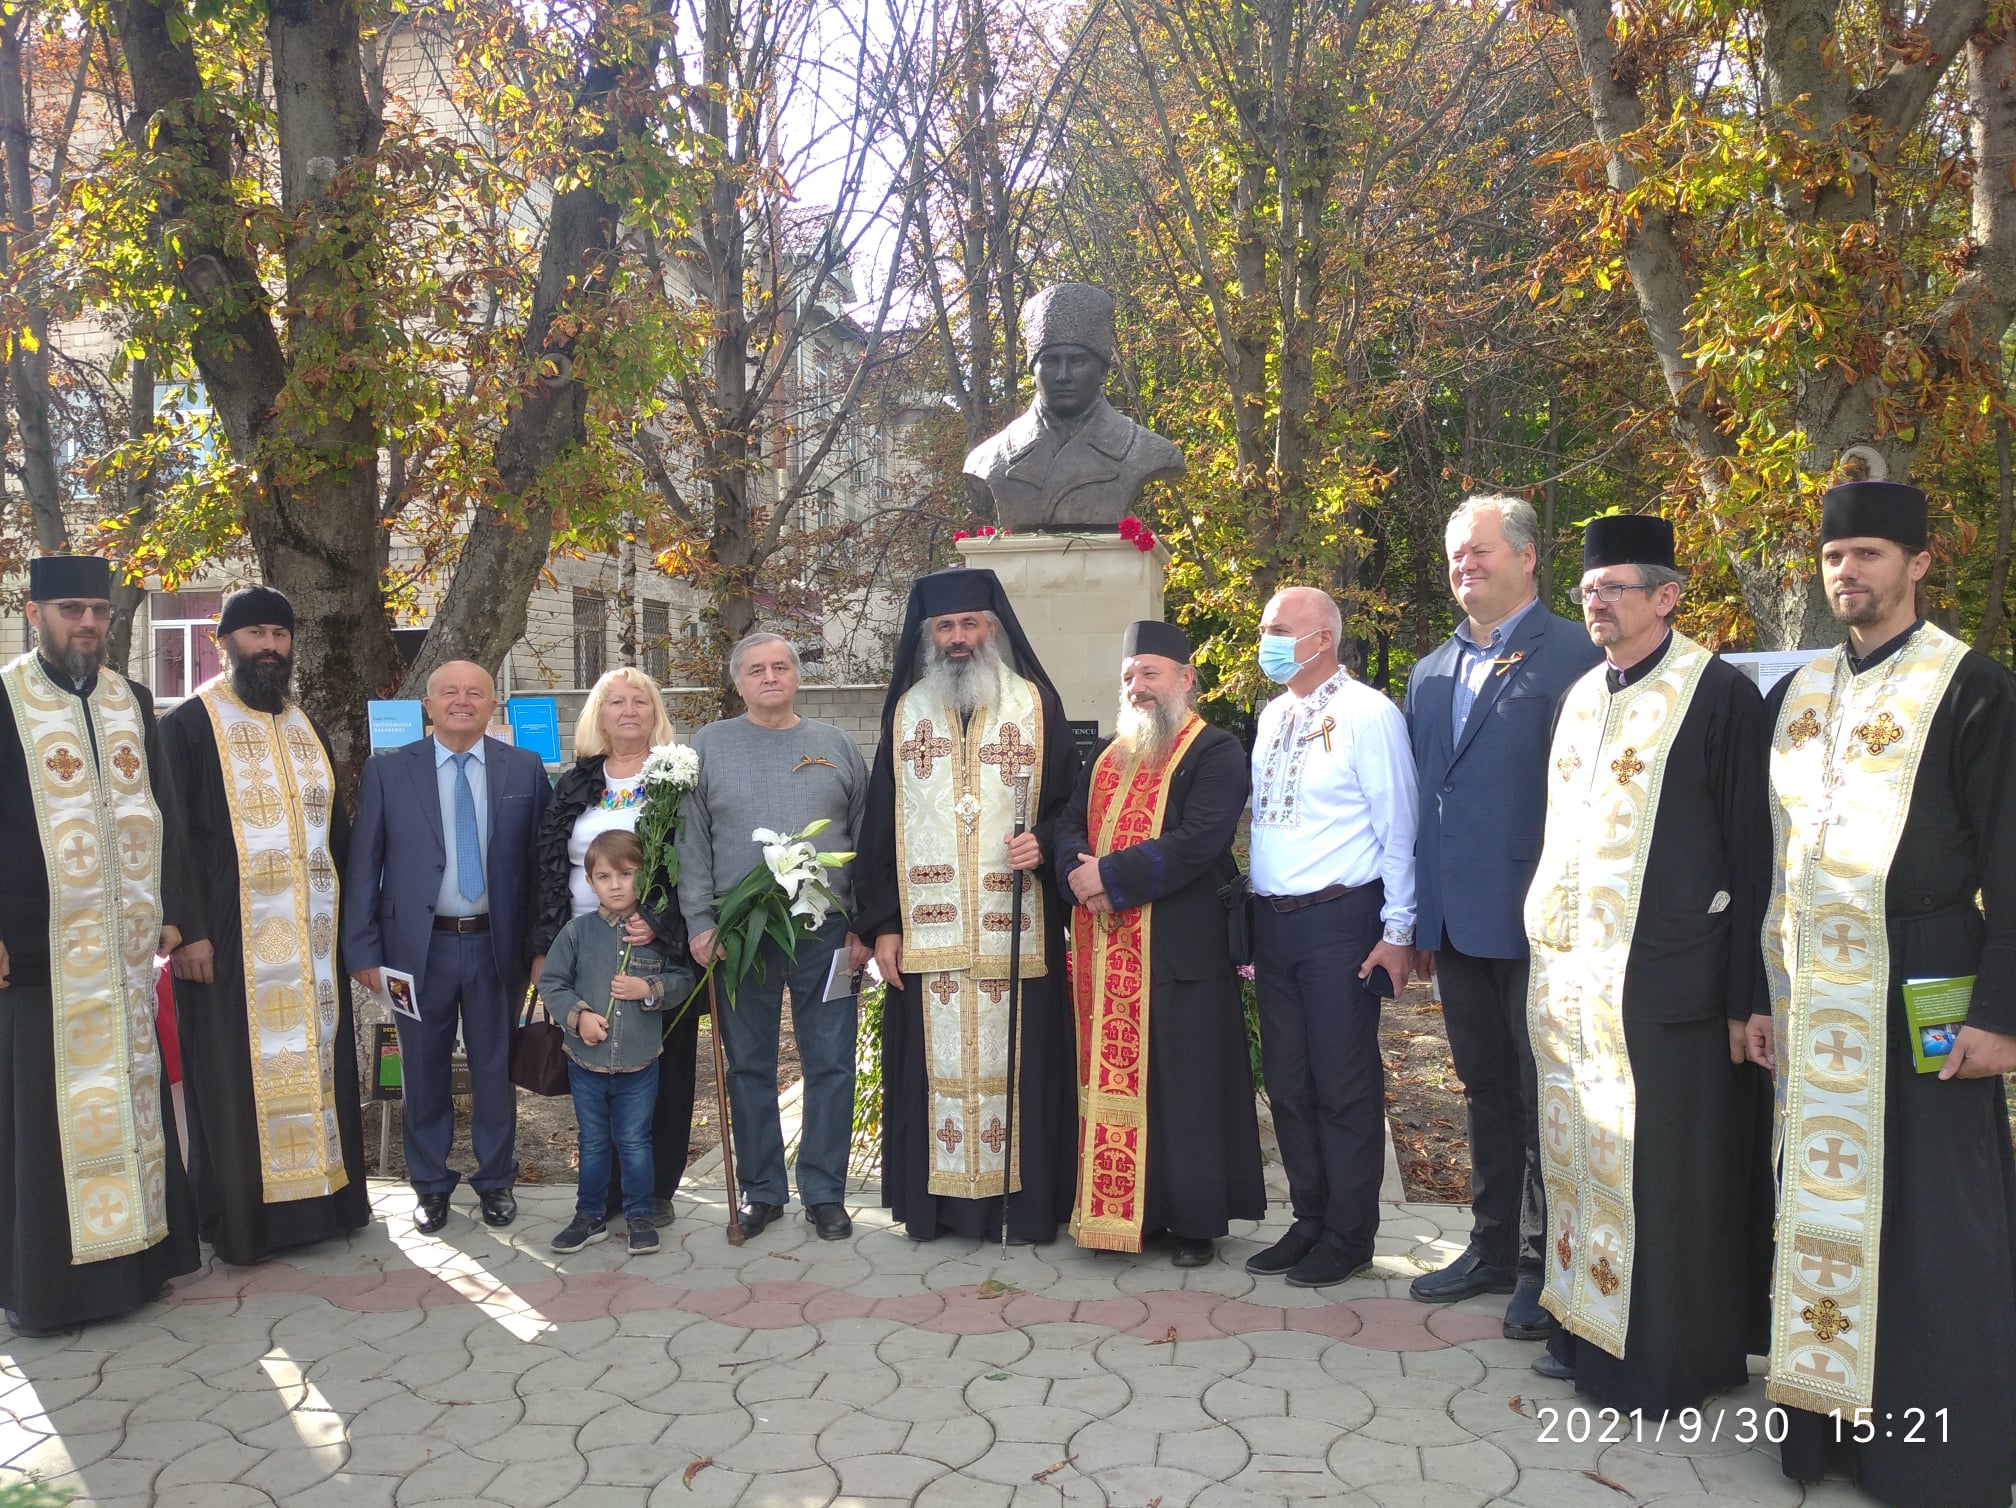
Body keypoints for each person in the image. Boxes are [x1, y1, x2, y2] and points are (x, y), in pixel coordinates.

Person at [1758, 480, 2016, 1508]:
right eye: (1833, 557)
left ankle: (1937, 1452)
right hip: (1820, 990)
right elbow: (1768, 854)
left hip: (1931, 977)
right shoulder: (1801, 690)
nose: (1847, 574)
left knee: (1936, 1214)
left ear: (1916, 562)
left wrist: (2001, 1014)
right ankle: (1829, 1431)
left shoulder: (1976, 687)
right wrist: (1760, 993)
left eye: (1868, 554)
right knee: (1824, 1210)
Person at [1525, 513, 1774, 1412]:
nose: (1596, 601)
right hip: (1575, 978)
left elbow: (1754, 852)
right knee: (1584, 1153)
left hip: (1673, 980)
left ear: (1667, 597)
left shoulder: (1718, 695)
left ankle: (1665, 1360)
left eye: (1614, 587)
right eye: (1588, 588)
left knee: (1665, 1172)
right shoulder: (1583, 694)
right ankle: (1583, 1327)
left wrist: (1750, 994)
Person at [1403, 496, 1600, 1336]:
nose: (1464, 566)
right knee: (1484, 1089)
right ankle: (1487, 1243)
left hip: (1538, 924)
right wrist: (1415, 920)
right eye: (1454, 555)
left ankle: (1541, 1258)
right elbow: (1424, 801)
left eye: (1479, 552)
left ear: (1526, 557)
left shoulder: (1577, 656)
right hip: (1455, 925)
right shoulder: (1428, 671)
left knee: (1539, 1091)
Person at [0, 555, 200, 1335]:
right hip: (35, 947)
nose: (87, 623)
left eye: (100, 612)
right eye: (71, 609)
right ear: (34, 611)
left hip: (119, 957)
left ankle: (138, 1265)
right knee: (45, 1120)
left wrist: (173, 912)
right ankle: (49, 1289)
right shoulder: (6, 697)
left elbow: (163, 813)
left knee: (130, 1106)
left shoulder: (131, 699)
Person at [854, 567, 1082, 1243]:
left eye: (970, 625)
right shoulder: (907, 712)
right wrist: (885, 924)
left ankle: (1026, 1206)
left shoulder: (1035, 707)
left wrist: (1043, 842)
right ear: (929, 637)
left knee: (1022, 1069)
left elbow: (1073, 804)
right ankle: (940, 1211)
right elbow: (880, 827)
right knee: (932, 1077)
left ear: (993, 629)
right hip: (928, 941)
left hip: (1017, 929)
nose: (959, 638)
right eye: (946, 627)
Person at [160, 585, 369, 1264]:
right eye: (256, 635)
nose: (271, 647)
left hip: (310, 946)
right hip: (225, 941)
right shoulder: (189, 725)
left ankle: (325, 1206)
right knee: (232, 1078)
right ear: (227, 644)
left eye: (280, 635)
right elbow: (171, 839)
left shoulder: (304, 725)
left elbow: (333, 835)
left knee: (316, 1066)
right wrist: (187, 929)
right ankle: (242, 1222)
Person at [1053, 620, 1263, 1267]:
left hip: (1179, 956)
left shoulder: (1216, 751)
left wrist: (1106, 877)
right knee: (1123, 1090)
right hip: (1108, 955)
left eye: (1150, 674)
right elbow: (1066, 823)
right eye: (1129, 677)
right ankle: (1125, 1217)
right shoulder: (1108, 756)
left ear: (1184, 679)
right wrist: (1072, 871)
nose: (1137, 687)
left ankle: (1194, 1224)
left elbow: (1199, 841)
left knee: (1186, 1089)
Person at [1244, 586, 1417, 1288]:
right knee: (1288, 1082)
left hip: (1341, 921)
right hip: (1275, 923)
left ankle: (1350, 1233)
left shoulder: (1368, 714)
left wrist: (1398, 930)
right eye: (1265, 629)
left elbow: (1399, 825)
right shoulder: (1273, 714)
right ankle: (1309, 1219)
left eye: (1280, 629)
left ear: (1323, 638)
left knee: (1342, 1083)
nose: (1268, 640)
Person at [344, 660, 551, 1234]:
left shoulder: (525, 769)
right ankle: (430, 1184)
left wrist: (539, 947)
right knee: (422, 1068)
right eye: (449, 693)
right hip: (417, 951)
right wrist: (361, 950)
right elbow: (366, 865)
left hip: (496, 947)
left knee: (493, 1067)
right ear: (428, 706)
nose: (463, 700)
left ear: (491, 706)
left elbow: (539, 870)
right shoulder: (388, 771)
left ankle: (495, 1181)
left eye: (475, 693)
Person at [678, 633, 869, 1241]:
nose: (770, 677)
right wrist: (702, 924)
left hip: (828, 931)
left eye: (780, 666)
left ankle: (824, 1192)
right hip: (742, 932)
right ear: (738, 682)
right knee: (749, 1065)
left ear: (796, 676)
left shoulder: (835, 745)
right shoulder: (709, 745)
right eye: (756, 669)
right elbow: (693, 842)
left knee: (832, 1061)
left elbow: (867, 839)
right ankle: (762, 1190)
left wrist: (865, 926)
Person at [532, 667, 696, 1229]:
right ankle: (599, 1193)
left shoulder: (677, 779)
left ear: (656, 712)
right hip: (583, 945)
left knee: (660, 1065)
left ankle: (655, 1191)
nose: (628, 711)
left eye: (640, 701)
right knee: (594, 1062)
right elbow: (549, 864)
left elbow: (695, 861)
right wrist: (545, 946)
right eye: (615, 702)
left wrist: (659, 920)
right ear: (597, 715)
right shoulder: (577, 782)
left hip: (655, 945)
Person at [540, 830, 691, 1256]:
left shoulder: (653, 935)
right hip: (585, 1061)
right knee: (592, 1141)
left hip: (641, 1062)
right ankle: (589, 1215)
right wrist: (579, 1016)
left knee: (635, 1140)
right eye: (604, 877)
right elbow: (552, 983)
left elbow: (683, 979)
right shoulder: (577, 933)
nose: (616, 885)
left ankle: (640, 1213)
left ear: (642, 878)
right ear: (589, 883)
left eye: (627, 874)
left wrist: (648, 987)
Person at [960, 282, 1185, 532]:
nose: (1063, 376)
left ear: (1102, 371)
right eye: (1050, 361)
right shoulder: (991, 457)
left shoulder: (1146, 451)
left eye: (1077, 360)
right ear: (1032, 372)